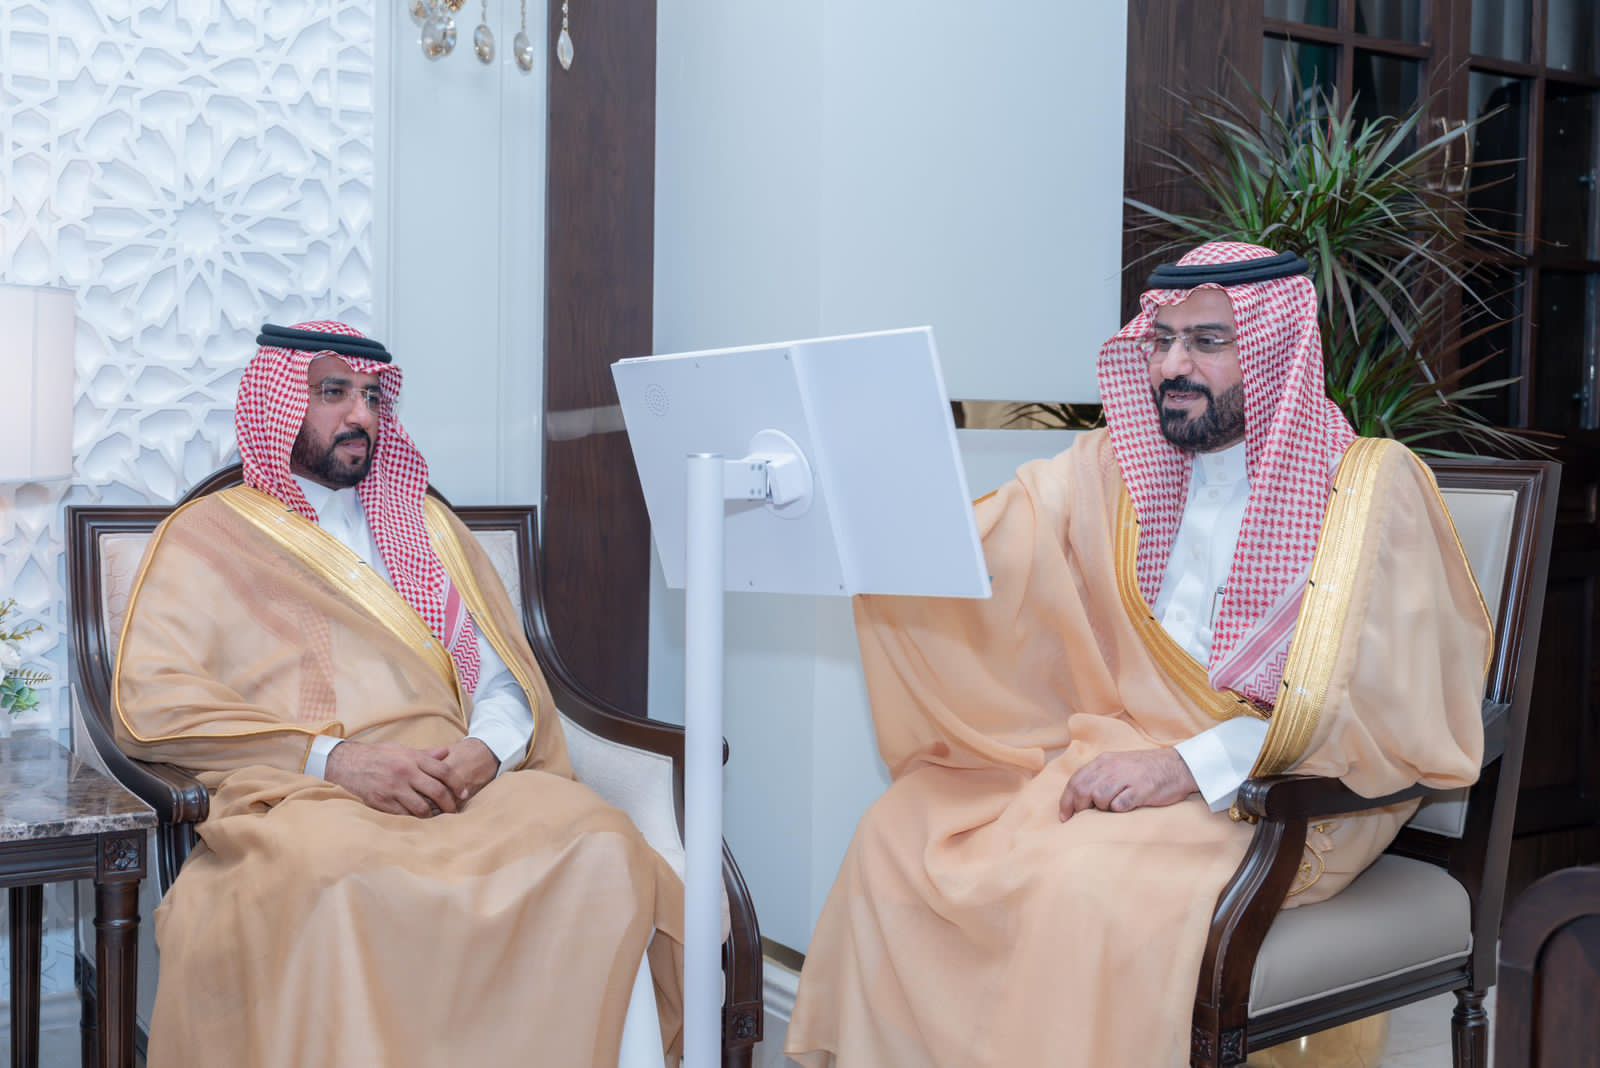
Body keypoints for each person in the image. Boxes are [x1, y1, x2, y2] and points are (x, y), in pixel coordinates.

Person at [786, 242, 1491, 1066]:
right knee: (902, 829)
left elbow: (1384, 707)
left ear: (1276, 351)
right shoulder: (1117, 469)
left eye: (1207, 342)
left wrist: (1185, 766)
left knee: (1082, 884)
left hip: (1293, 789)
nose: (1171, 366)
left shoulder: (1368, 490)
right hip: (1125, 748)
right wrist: (870, 498)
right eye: (1161, 341)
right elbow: (992, 548)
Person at [114, 321, 684, 1067]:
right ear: (279, 401)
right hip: (306, 794)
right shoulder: (207, 537)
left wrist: (487, 750)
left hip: (458, 781)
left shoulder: (430, 529)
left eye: (373, 397)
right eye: (334, 392)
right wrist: (339, 762)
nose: (361, 415)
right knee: (337, 878)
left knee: (599, 842)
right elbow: (153, 703)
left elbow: (504, 676)